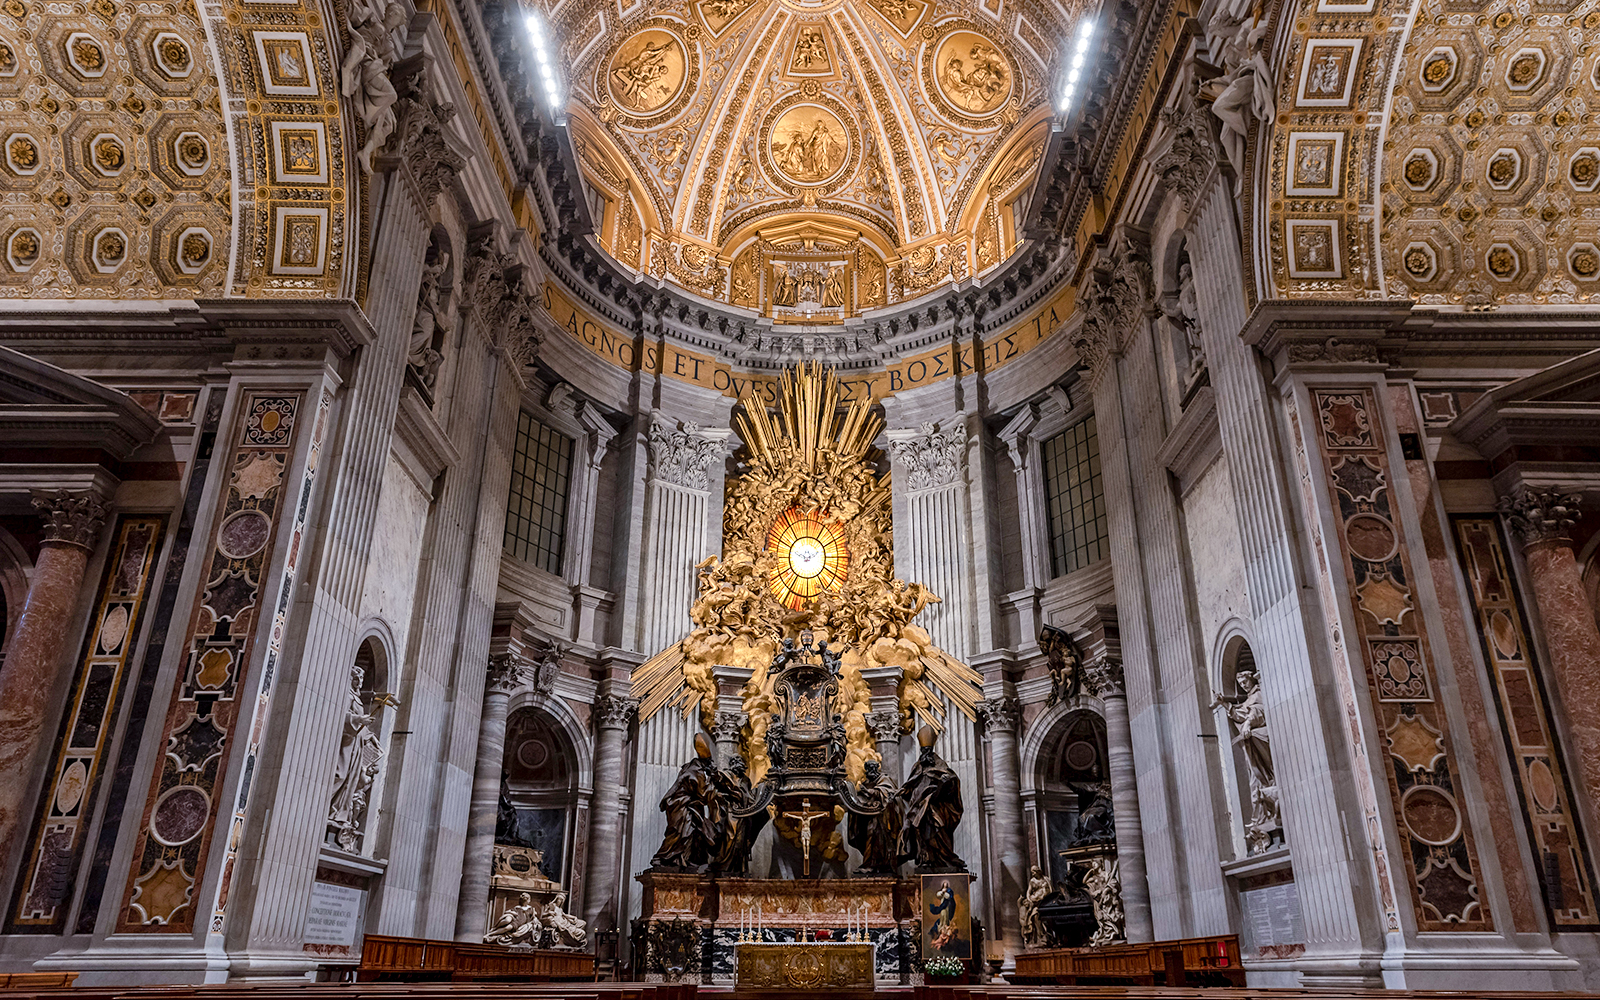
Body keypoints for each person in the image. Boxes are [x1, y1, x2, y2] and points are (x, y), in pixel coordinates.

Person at [650, 733, 725, 871]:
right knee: (679, 833)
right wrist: (719, 789)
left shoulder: (694, 768)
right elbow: (704, 794)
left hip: (686, 806)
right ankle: (664, 858)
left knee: (695, 832)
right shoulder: (695, 771)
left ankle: (686, 860)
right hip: (680, 806)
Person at [896, 726, 965, 870]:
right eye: (923, 751)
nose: (925, 754)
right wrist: (904, 791)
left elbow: (952, 781)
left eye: (927, 751)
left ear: (932, 752)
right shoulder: (918, 767)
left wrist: (946, 782)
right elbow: (910, 785)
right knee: (920, 834)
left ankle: (944, 857)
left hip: (935, 807)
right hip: (919, 807)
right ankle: (925, 858)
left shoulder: (940, 765)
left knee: (936, 830)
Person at [848, 759, 901, 874]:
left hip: (882, 819)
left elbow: (887, 794)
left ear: (877, 768)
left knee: (877, 839)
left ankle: (876, 864)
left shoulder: (884, 779)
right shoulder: (866, 782)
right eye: (868, 768)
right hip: (869, 817)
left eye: (873, 767)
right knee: (869, 838)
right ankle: (870, 863)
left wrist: (869, 792)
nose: (871, 770)